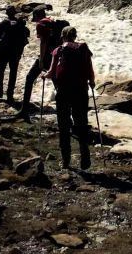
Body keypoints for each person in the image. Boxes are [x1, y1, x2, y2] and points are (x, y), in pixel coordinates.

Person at [42, 26, 95, 169]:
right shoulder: (83, 49)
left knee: (63, 124)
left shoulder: (58, 50)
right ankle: (85, 156)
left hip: (64, 91)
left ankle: (66, 160)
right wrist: (92, 82)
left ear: (63, 36)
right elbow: (90, 69)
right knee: (81, 122)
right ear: (75, 36)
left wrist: (44, 75)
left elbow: (51, 72)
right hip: (80, 91)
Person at [16, 6, 62, 121]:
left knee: (29, 78)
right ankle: (65, 113)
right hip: (55, 56)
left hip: (46, 57)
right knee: (57, 84)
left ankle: (24, 110)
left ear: (36, 15)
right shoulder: (51, 22)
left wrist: (41, 60)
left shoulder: (41, 24)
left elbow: (43, 42)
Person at [0, 6, 29, 102]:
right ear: (15, 13)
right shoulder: (20, 24)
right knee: (13, 73)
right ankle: (10, 95)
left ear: (7, 13)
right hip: (15, 52)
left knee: (0, 71)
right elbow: (25, 38)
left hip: (4, 51)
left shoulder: (3, 23)